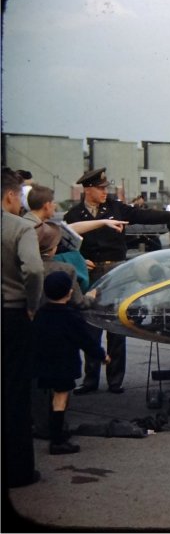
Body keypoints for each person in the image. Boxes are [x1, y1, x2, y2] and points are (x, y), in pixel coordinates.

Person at [63, 167, 170, 395]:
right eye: (100, 188)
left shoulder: (115, 208)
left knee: (117, 326)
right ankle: (90, 380)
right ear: (88, 189)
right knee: (90, 327)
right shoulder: (74, 215)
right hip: (91, 274)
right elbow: (66, 244)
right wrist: (80, 259)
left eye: (105, 188)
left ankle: (115, 380)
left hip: (116, 272)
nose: (105, 192)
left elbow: (143, 215)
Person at [32, 271, 109, 455]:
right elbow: (86, 341)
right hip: (64, 364)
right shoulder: (71, 316)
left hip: (44, 363)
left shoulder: (41, 314)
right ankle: (57, 440)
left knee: (52, 397)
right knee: (60, 400)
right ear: (69, 292)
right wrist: (102, 356)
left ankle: (53, 431)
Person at [1, 167, 44, 488]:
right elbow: (33, 270)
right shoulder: (19, 227)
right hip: (12, 315)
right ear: (10, 196)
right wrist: (32, 304)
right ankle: (18, 470)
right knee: (15, 393)